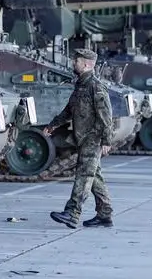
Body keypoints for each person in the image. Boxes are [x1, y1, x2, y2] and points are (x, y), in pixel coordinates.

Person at [44, 48, 114, 229]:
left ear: (86, 64)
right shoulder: (81, 84)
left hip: (93, 138)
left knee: (84, 175)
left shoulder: (95, 86)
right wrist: (53, 124)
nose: (73, 63)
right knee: (95, 176)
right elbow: (70, 110)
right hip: (83, 138)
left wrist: (107, 140)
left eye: (76, 61)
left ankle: (72, 213)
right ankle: (104, 215)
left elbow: (106, 116)